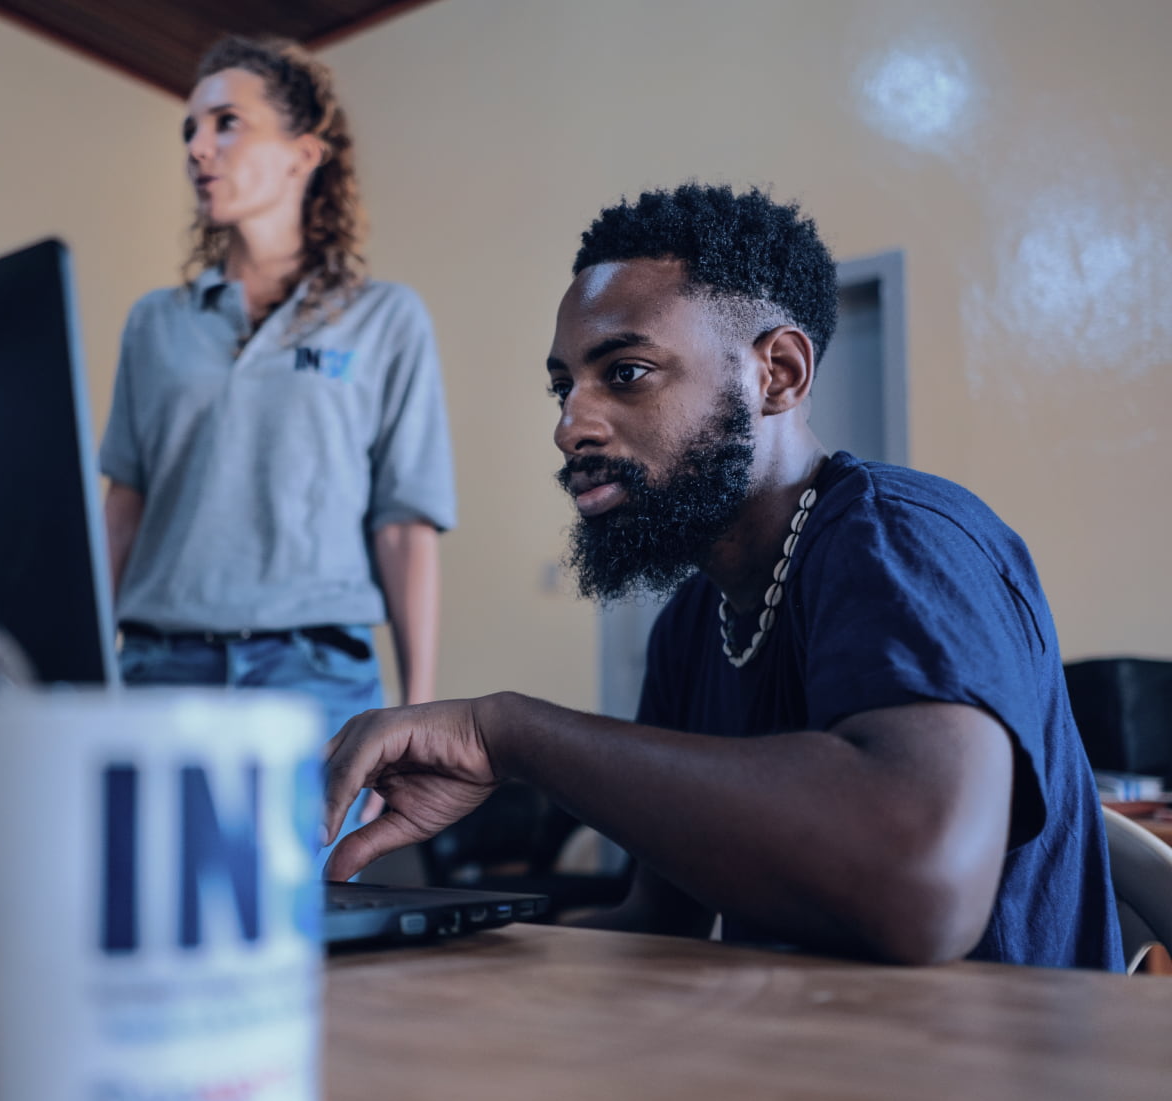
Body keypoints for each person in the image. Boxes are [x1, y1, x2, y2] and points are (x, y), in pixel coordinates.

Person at [322, 183, 1122, 969]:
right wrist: (435, 954)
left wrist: (508, 732)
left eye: (626, 372)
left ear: (776, 373)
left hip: (987, 1080)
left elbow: (920, 888)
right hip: (794, 1070)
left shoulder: (899, 537)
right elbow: (658, 917)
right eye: (564, 386)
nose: (570, 425)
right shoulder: (693, 622)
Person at [98, 36, 456, 824]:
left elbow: (404, 527)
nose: (197, 147)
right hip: (159, 670)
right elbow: (122, 508)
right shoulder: (155, 324)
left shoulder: (385, 319)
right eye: (188, 130)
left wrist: (415, 719)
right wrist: (85, 673)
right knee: (147, 922)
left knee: (305, 930)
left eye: (226, 123)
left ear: (304, 154)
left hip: (315, 682)